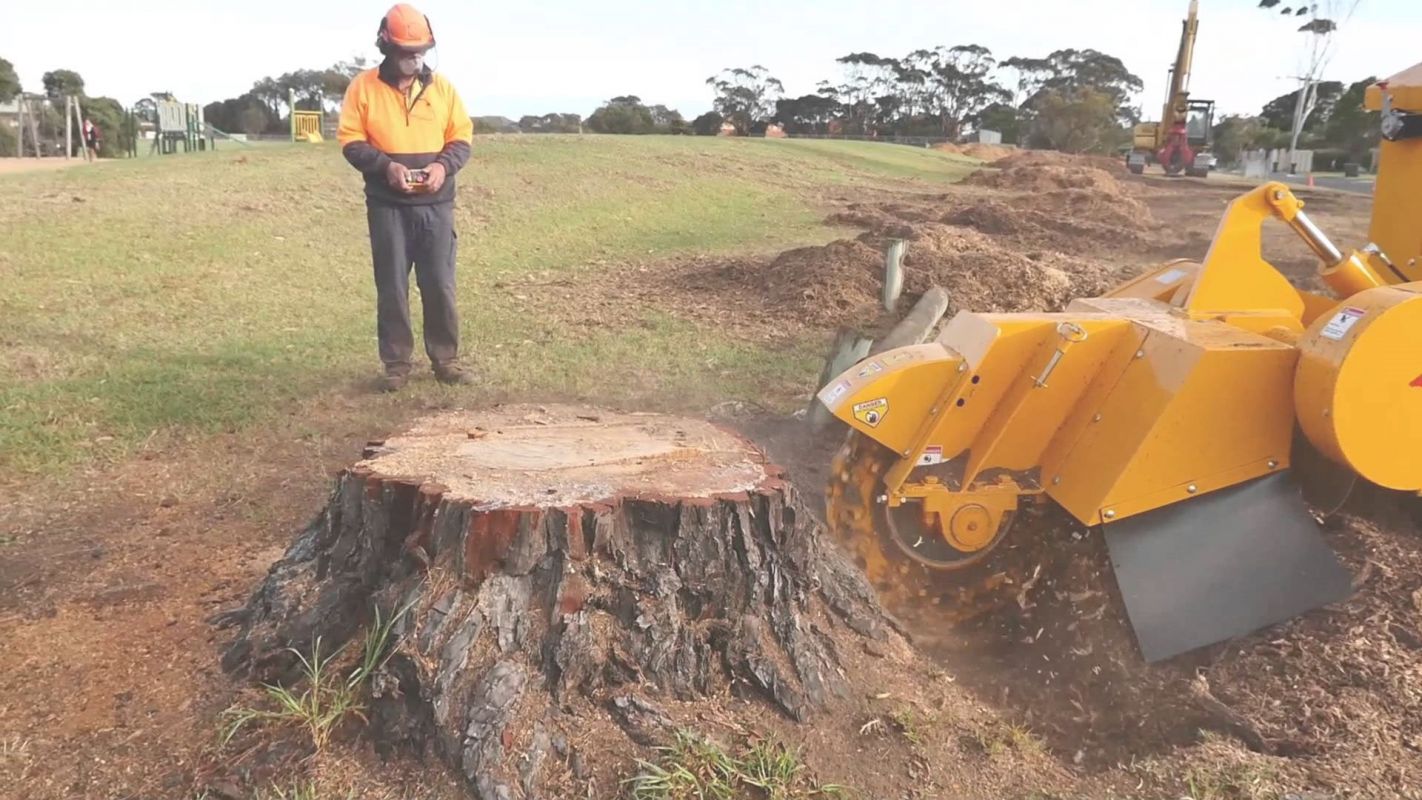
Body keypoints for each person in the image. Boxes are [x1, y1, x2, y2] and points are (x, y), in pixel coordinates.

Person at [338, 3, 475, 391]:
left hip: (436, 204)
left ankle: (446, 360)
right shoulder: (362, 88)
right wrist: (386, 168)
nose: (414, 59)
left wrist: (442, 167)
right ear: (386, 46)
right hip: (388, 206)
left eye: (420, 51)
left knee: (439, 283)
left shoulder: (443, 89)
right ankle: (396, 366)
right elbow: (350, 141)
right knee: (392, 285)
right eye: (406, 51)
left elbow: (461, 137)